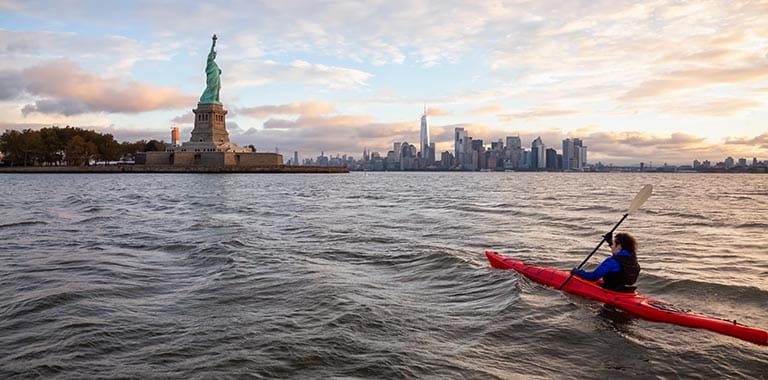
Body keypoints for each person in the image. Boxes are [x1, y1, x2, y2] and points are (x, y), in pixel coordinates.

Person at [572, 232, 641, 293]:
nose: (611, 247)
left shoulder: (612, 262)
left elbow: (593, 277)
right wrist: (610, 242)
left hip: (610, 291)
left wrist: (577, 272)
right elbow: (619, 255)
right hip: (627, 291)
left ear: (619, 246)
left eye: (613, 244)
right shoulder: (633, 259)